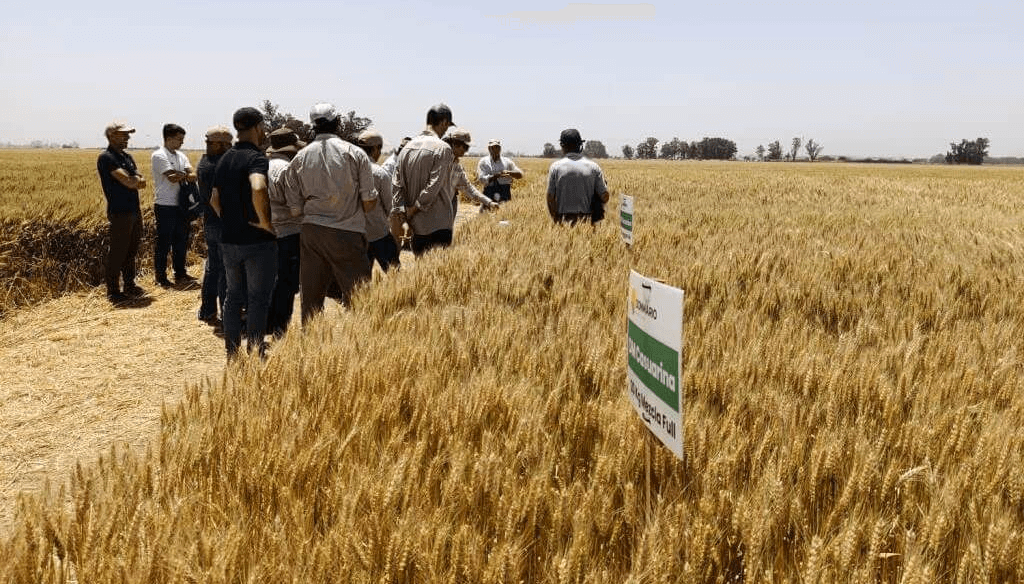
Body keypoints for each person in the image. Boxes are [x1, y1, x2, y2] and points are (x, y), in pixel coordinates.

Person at [280, 102, 376, 323]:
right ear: (338, 122)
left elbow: (295, 210)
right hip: (347, 231)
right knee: (360, 299)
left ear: (313, 126)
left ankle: (310, 340)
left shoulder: (299, 158)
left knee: (311, 300)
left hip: (311, 232)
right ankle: (362, 339)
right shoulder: (355, 153)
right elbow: (369, 203)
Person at [210, 107, 277, 358]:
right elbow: (258, 187)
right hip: (256, 241)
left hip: (229, 240)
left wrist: (229, 221)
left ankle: (232, 352)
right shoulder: (256, 158)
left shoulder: (224, 158)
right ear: (258, 127)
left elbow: (214, 199)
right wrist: (265, 222)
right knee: (258, 298)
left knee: (233, 296)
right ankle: (256, 350)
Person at [390, 103, 457, 256]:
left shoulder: (406, 148)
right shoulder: (443, 148)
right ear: (444, 122)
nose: (446, 130)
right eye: (447, 126)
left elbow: (396, 184)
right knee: (439, 268)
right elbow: (433, 186)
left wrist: (402, 212)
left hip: (416, 227)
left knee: (421, 267)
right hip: (438, 224)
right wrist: (413, 209)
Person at [96, 121, 146, 304]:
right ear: (111, 136)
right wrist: (135, 180)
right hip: (119, 211)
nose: (128, 137)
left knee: (131, 250)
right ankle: (113, 290)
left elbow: (141, 180)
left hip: (134, 209)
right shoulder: (106, 157)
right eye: (123, 134)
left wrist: (135, 180)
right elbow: (130, 181)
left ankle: (130, 285)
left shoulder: (127, 156)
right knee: (118, 252)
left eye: (128, 134)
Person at [265, 128, 305, 337]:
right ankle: (280, 326)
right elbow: (295, 207)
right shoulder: (287, 169)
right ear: (290, 149)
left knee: (272, 280)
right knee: (287, 283)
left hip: (268, 230)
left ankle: (267, 322)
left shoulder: (263, 166)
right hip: (289, 231)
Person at [151, 123, 198, 287]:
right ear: (169, 138)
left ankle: (180, 273)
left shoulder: (181, 155)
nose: (182, 142)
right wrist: (185, 174)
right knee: (164, 242)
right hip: (165, 204)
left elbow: (193, 174)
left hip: (182, 204)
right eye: (179, 139)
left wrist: (182, 174)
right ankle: (160, 276)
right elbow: (172, 177)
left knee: (181, 240)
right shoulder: (159, 155)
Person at [195, 125, 233, 325]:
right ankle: (227, 315)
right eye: (228, 145)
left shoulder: (204, 162)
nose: (230, 148)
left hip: (210, 221)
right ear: (218, 145)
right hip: (222, 222)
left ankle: (207, 310)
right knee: (226, 270)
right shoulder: (219, 166)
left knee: (213, 267)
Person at [357, 129, 401, 272]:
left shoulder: (348, 171)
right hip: (379, 233)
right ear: (375, 148)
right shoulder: (380, 173)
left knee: (361, 280)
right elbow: (389, 207)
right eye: (380, 149)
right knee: (395, 274)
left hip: (356, 235)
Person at [546, 128, 609, 224]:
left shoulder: (555, 167)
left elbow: (550, 197)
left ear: (562, 146)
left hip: (563, 219)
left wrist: (556, 220)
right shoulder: (594, 167)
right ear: (580, 145)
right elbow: (604, 197)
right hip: (587, 221)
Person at [443, 128, 499, 214]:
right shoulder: (440, 161)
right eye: (465, 147)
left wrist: (489, 202)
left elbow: (469, 188)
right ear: (455, 144)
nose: (466, 151)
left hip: (445, 207)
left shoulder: (457, 167)